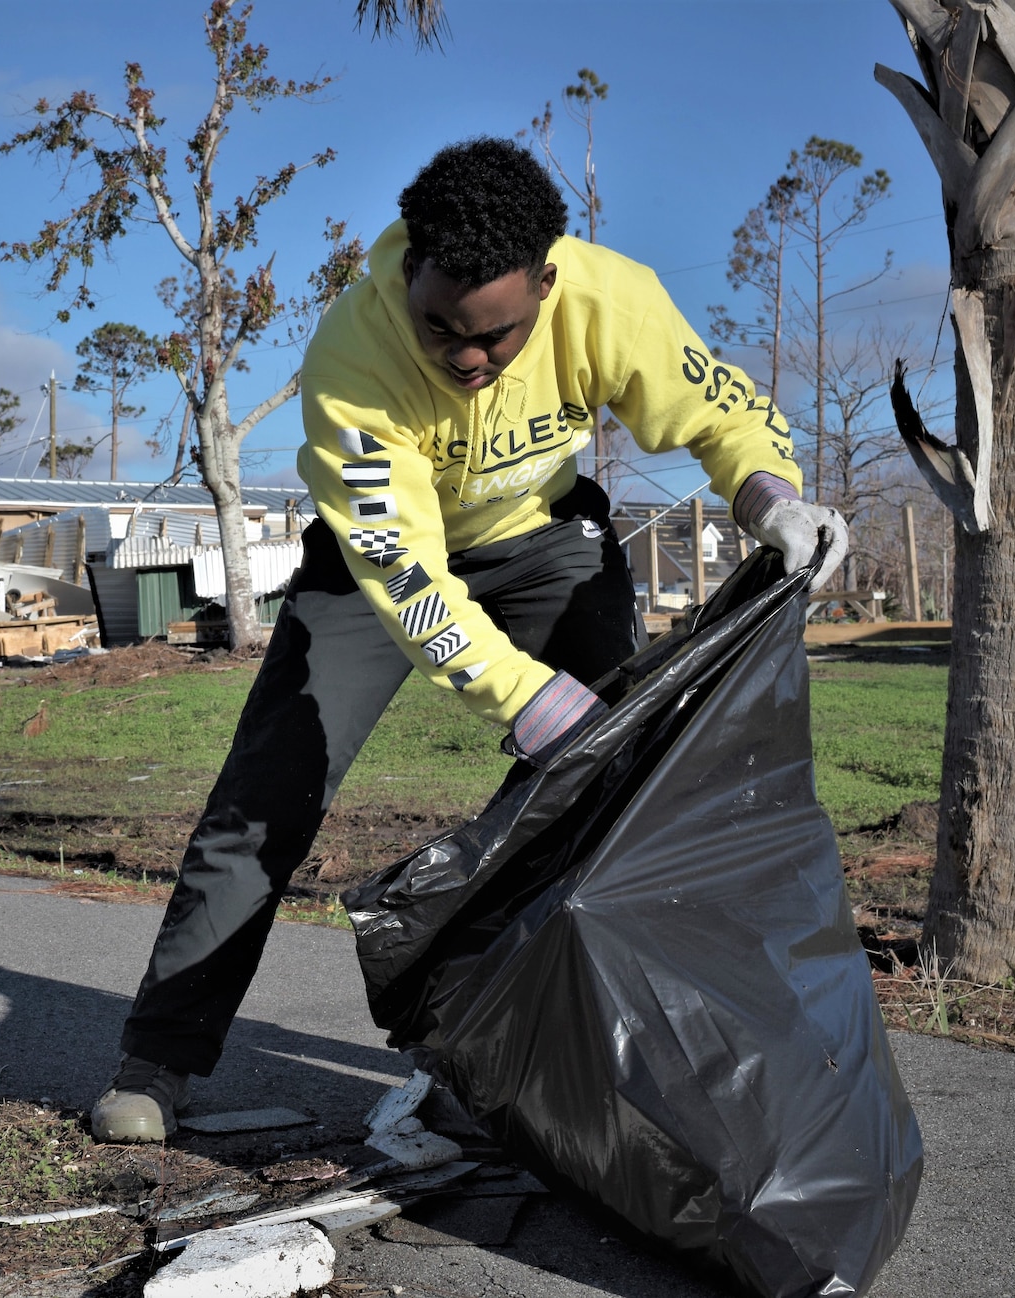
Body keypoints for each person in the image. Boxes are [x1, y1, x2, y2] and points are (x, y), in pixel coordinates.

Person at [90, 137, 849, 1143]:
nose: (464, 357)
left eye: (493, 336)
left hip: (545, 541)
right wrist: (527, 699)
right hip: (379, 570)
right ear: (408, 276)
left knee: (609, 795)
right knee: (262, 797)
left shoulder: (607, 298)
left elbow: (713, 412)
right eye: (439, 327)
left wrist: (768, 497)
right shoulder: (352, 363)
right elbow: (405, 577)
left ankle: (563, 1062)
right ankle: (160, 1056)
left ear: (544, 281)